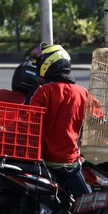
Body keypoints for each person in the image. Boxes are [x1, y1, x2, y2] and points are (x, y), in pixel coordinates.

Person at [27, 43, 92, 201]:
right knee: (88, 203)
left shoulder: (43, 91)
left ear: (49, 64)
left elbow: (29, 120)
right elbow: (99, 120)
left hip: (44, 162)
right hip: (70, 163)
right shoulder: (83, 93)